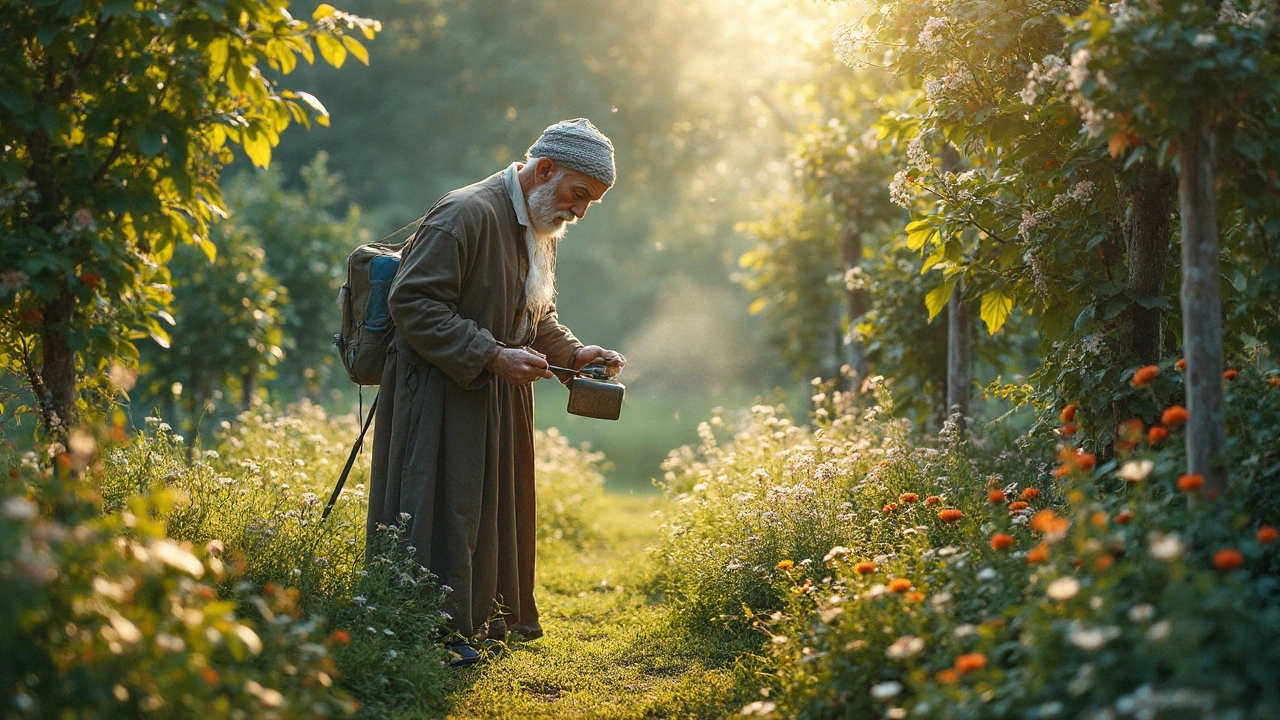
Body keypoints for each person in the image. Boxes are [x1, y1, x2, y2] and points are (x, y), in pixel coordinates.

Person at [366, 118, 626, 666]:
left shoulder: (539, 224)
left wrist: (576, 354)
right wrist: (490, 355)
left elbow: (535, 313)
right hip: (438, 395)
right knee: (443, 506)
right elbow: (412, 304)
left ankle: (480, 624)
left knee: (488, 510)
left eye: (590, 204)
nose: (579, 212)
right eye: (578, 195)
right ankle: (430, 633)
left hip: (498, 396)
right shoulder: (466, 214)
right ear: (545, 170)